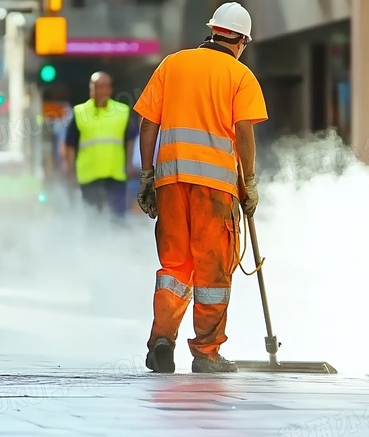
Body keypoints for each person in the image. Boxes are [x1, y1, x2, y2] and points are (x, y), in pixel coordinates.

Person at [133, 2, 268, 373]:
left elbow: (148, 124)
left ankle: (162, 340)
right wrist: (250, 181)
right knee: (213, 272)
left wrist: (148, 176)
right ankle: (206, 353)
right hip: (215, 189)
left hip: (171, 183)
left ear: (212, 32)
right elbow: (243, 131)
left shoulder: (172, 64)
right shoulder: (240, 76)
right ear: (240, 40)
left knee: (175, 267)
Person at [62, 72, 137, 217]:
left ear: (110, 89)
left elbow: (130, 138)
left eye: (103, 87)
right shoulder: (79, 112)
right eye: (95, 87)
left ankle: (118, 239)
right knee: (93, 217)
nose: (98, 91)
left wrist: (129, 164)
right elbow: (70, 145)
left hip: (116, 174)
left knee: (118, 217)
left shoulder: (122, 111)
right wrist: (70, 171)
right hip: (89, 175)